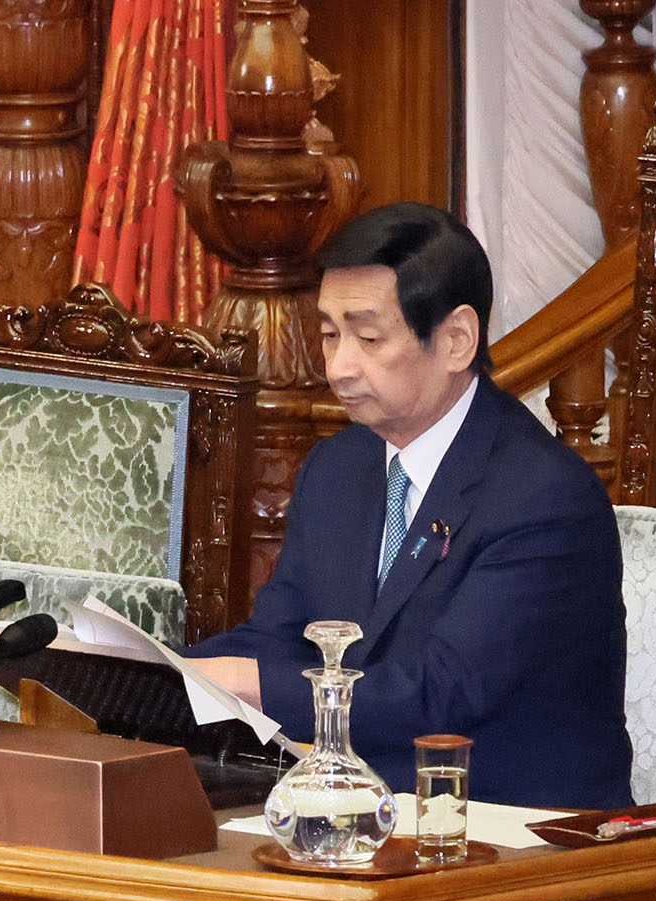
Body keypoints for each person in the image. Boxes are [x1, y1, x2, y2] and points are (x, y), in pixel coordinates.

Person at [186, 202, 632, 808]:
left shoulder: (545, 500)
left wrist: (247, 684)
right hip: (360, 817)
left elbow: (439, 695)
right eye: (328, 334)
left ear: (455, 340)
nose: (339, 366)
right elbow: (280, 636)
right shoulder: (337, 469)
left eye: (368, 337)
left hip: (516, 837)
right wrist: (143, 669)